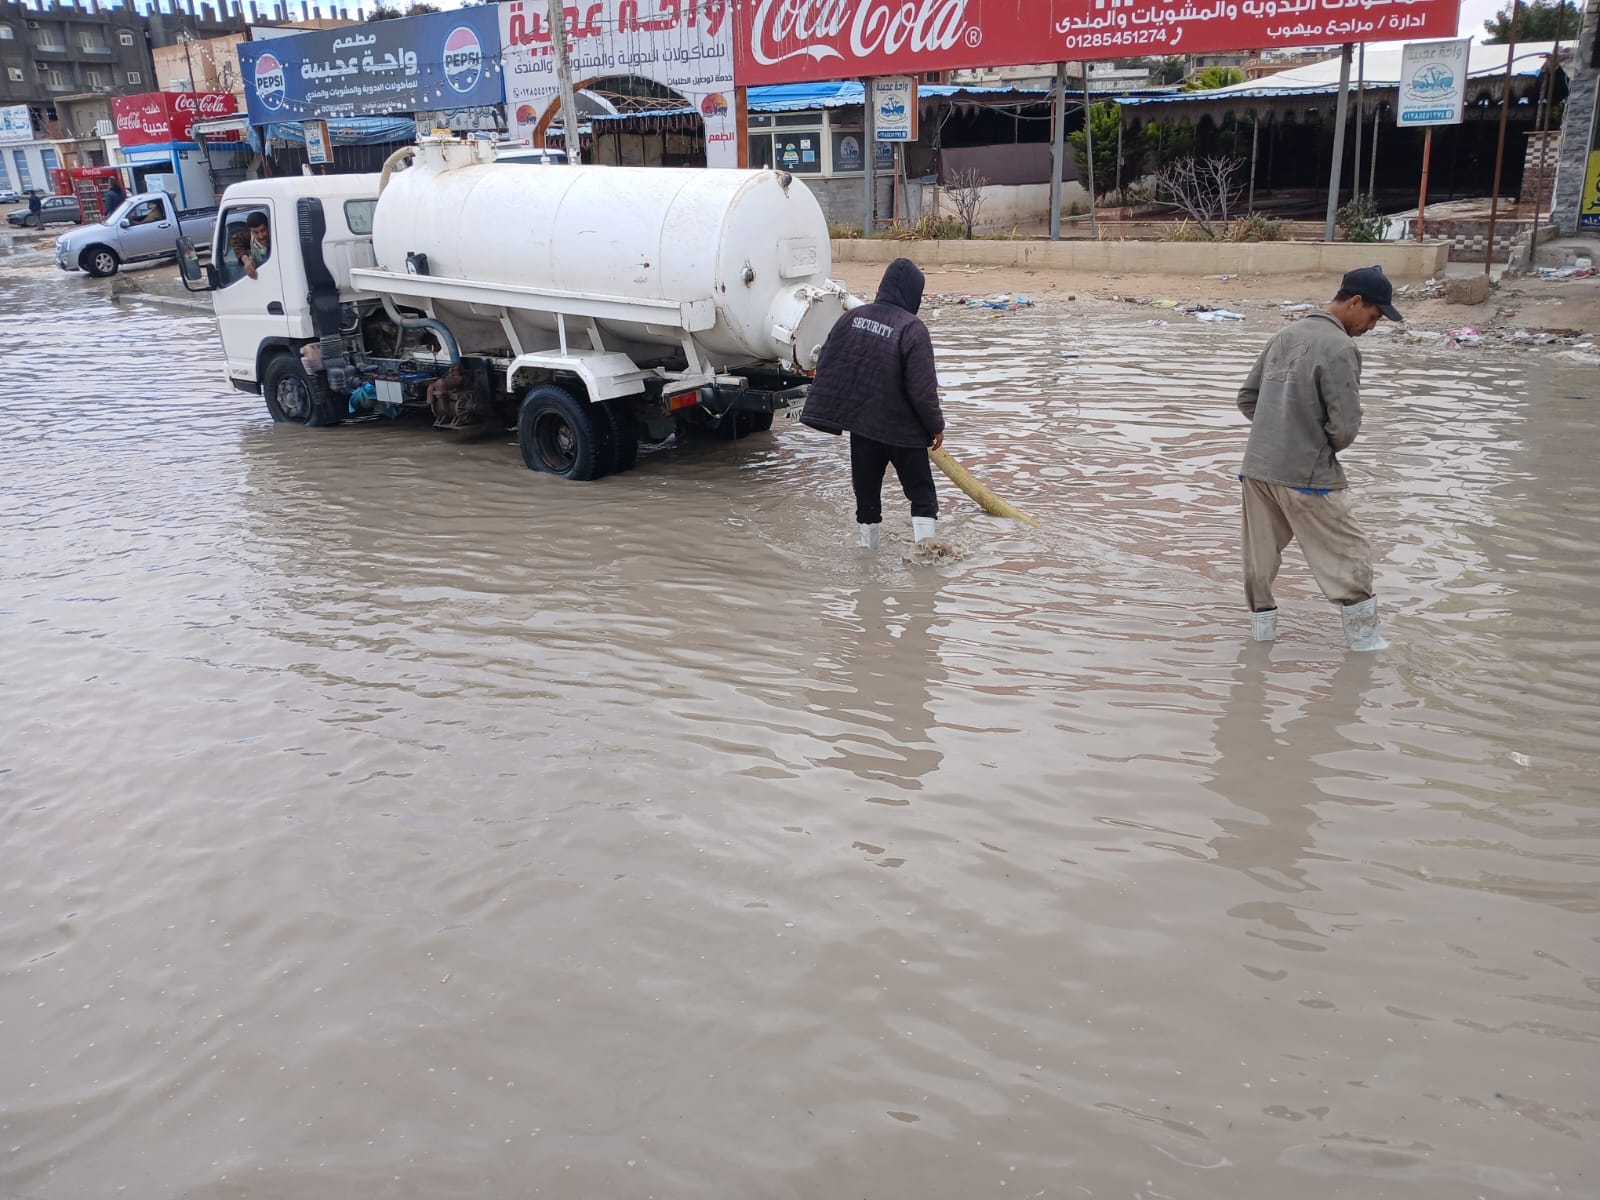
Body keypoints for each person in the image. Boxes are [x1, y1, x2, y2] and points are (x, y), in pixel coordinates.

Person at [1236, 265, 1402, 652]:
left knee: (1259, 562)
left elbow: (1247, 399)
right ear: (1355, 302)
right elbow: (1344, 427)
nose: (1372, 326)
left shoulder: (1285, 335)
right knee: (1351, 558)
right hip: (1307, 475)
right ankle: (1367, 652)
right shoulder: (1341, 347)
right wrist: (1306, 440)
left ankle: (1260, 648)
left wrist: (1278, 429)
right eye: (1374, 316)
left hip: (1257, 469)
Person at [801, 257, 946, 547]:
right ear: (913, 293)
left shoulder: (852, 317)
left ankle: (867, 557)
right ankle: (927, 558)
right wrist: (936, 426)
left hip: (863, 428)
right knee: (922, 496)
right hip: (904, 433)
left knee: (866, 496)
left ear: (883, 286)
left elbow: (827, 361)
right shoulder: (912, 328)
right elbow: (922, 390)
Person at [243, 211, 270, 280]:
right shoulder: (250, 238)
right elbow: (236, 241)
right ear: (251, 232)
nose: (261, 236)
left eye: (263, 230)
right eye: (256, 232)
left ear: (268, 227)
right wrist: (246, 260)